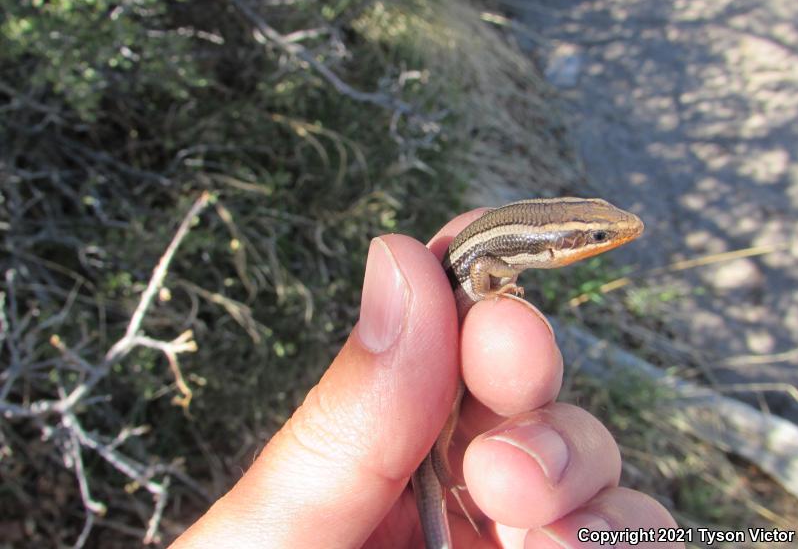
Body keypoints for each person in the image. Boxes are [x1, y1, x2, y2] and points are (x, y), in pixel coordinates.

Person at [172, 209, 682, 548]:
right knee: (440, 462)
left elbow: (484, 265)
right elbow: (479, 264)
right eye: (596, 237)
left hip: (451, 386)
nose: (608, 239)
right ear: (557, 246)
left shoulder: (515, 248)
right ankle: (446, 476)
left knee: (469, 457)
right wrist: (488, 295)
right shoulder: (502, 251)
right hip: (437, 368)